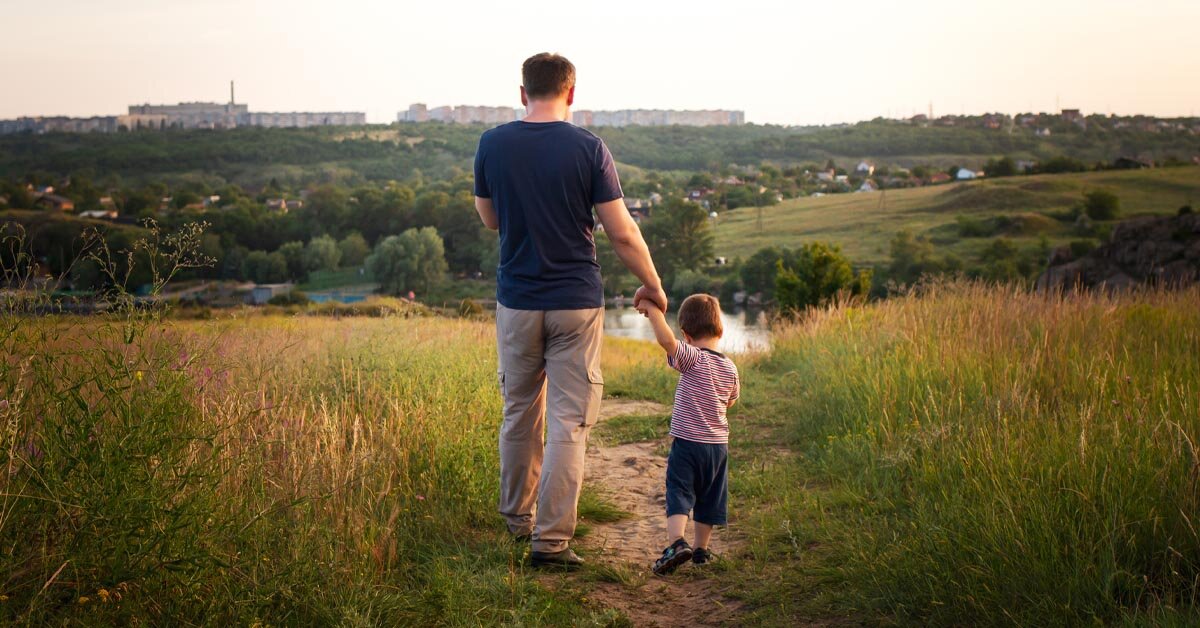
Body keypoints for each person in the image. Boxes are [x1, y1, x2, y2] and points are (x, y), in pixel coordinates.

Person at [473, 52, 667, 568]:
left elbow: (489, 219)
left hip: (517, 301)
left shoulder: (491, 144)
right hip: (575, 302)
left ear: (521, 93)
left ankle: (516, 522)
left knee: (519, 411)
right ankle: (551, 541)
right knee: (568, 421)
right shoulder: (590, 149)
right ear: (572, 94)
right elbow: (622, 232)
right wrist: (653, 284)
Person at [635, 294, 740, 575]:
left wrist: (653, 310)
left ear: (686, 335)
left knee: (679, 491)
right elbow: (730, 401)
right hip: (718, 448)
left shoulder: (693, 358)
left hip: (688, 444)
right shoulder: (731, 367)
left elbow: (667, 342)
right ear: (720, 329)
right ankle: (701, 551)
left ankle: (676, 544)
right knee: (709, 497)